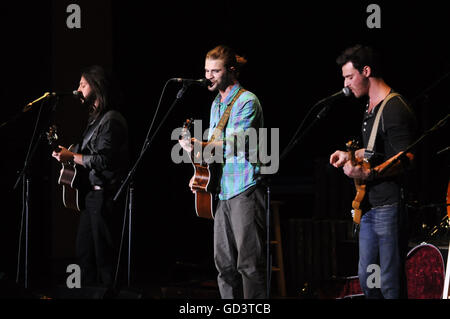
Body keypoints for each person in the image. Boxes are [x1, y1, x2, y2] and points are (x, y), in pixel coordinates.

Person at [179, 45, 267, 299]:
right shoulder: (216, 103)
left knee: (248, 265)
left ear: (231, 70)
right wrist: (194, 157)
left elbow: (235, 142)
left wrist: (203, 145)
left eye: (215, 71)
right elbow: (213, 150)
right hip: (222, 190)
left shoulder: (247, 101)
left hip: (245, 188)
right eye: (206, 70)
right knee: (224, 266)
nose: (208, 76)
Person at [329, 45, 416, 299]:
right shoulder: (370, 108)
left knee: (389, 284)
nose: (345, 84)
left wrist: (371, 174)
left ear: (366, 71)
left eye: (349, 77)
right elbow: (375, 149)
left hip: (389, 207)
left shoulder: (394, 107)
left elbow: (406, 156)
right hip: (369, 207)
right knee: (369, 282)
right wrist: (351, 155)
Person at [52, 65, 129, 287]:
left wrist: (72, 155)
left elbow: (103, 160)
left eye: (82, 85)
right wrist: (67, 154)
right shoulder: (96, 119)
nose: (77, 89)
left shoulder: (112, 120)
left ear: (96, 87)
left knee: (105, 259)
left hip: (106, 197)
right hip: (92, 198)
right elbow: (86, 153)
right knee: (85, 254)